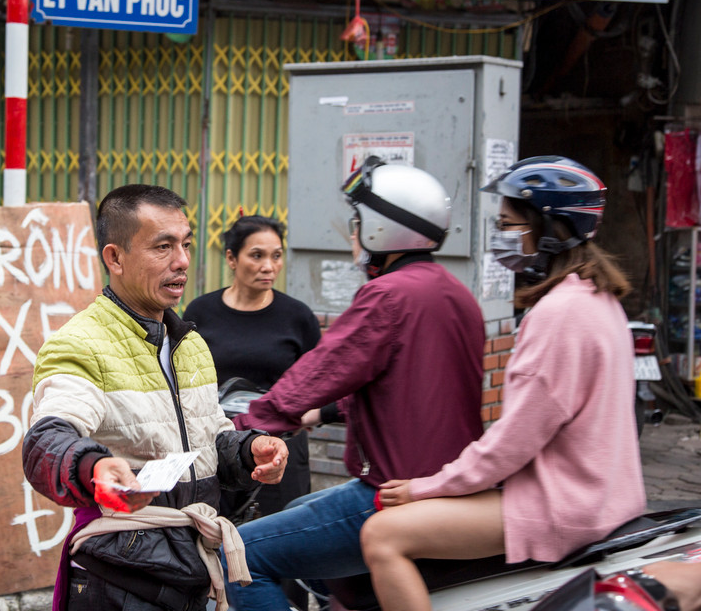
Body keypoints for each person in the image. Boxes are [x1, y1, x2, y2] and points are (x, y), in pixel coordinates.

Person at [360, 156, 645, 611]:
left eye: (509, 224)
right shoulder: (599, 299)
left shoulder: (559, 314)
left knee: (381, 535)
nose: (501, 235)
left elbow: (514, 442)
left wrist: (426, 487)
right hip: (606, 495)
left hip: (565, 505)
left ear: (549, 228)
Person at [225, 159, 487, 611]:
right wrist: (324, 413)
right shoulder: (456, 294)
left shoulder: (387, 296)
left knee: (235, 555)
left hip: (389, 493)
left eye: (358, 224)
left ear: (383, 230)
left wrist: (239, 428)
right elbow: (399, 382)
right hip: (444, 488)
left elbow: (317, 374)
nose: (352, 235)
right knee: (292, 517)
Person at [22, 184, 289, 611]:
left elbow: (208, 440)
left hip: (192, 570)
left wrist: (247, 449)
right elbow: (47, 438)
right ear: (115, 258)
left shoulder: (190, 343)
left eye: (184, 244)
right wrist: (94, 467)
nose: (182, 261)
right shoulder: (79, 343)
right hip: (121, 578)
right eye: (162, 247)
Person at [184, 214, 321, 520]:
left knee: (280, 545)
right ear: (232, 258)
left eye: (276, 256)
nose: (269, 267)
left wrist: (306, 414)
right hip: (218, 448)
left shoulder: (298, 317)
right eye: (256, 256)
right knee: (213, 544)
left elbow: (321, 385)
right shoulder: (201, 312)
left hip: (279, 453)